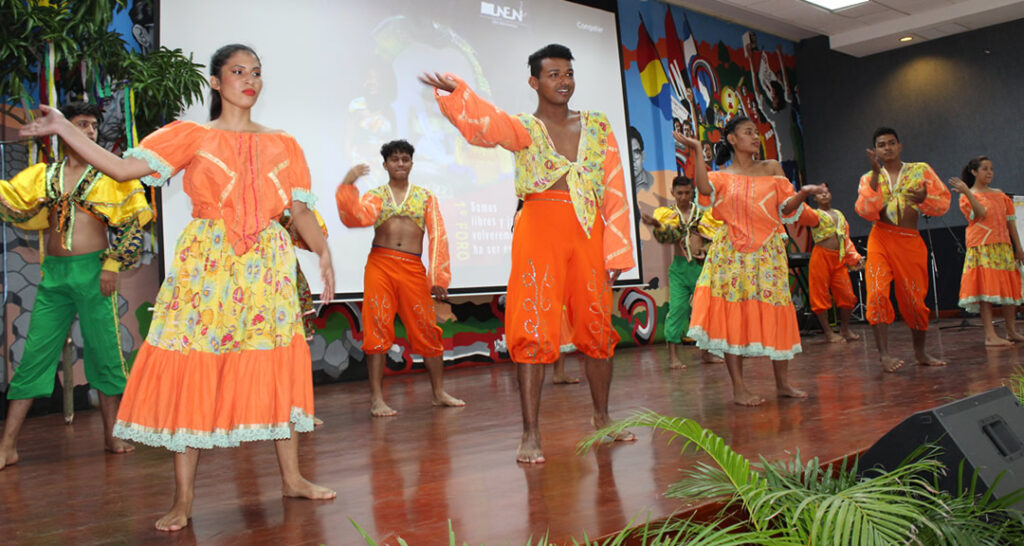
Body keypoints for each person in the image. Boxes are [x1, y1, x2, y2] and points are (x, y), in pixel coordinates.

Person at [19, 44, 337, 531]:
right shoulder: (192, 135)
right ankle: (183, 499)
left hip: (267, 269)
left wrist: (323, 253)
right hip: (207, 265)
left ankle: (292, 478)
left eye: (256, 72)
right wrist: (64, 129)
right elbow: (124, 169)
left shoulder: (285, 143)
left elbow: (298, 211)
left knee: (277, 361)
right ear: (214, 81)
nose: (249, 80)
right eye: (237, 71)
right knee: (192, 366)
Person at [419, 43, 635, 463]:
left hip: (588, 231)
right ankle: (531, 433)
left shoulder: (596, 125)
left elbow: (614, 189)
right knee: (532, 327)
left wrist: (617, 253)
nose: (564, 81)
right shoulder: (525, 128)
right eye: (553, 74)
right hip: (539, 229)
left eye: (568, 73)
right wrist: (459, 92)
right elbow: (488, 126)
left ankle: (603, 418)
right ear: (534, 81)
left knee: (597, 326)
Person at [0, 101, 151, 471]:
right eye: (80, 124)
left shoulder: (113, 176)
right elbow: (10, 195)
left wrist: (113, 264)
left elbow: (137, 220)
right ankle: (7, 445)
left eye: (93, 127)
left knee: (104, 354)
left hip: (94, 273)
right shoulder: (44, 175)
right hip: (54, 276)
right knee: (34, 355)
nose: (89, 132)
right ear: (61, 130)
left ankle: (112, 433)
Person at [680, 116, 824, 406]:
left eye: (756, 133)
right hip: (730, 256)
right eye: (748, 133)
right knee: (732, 318)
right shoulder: (721, 177)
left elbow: (786, 208)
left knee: (777, 311)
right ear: (732, 139)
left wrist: (803, 194)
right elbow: (704, 191)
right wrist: (696, 149)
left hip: (768, 254)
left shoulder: (771, 168)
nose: (755, 137)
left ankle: (783, 383)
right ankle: (739, 388)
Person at [335, 139, 465, 417]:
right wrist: (348, 184)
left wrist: (439, 277)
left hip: (412, 268)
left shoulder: (425, 197)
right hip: (380, 265)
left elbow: (438, 235)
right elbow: (354, 217)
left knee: (427, 329)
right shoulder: (376, 196)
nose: (400, 164)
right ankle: (376, 399)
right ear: (385, 165)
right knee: (377, 327)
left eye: (405, 159)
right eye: (394, 160)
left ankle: (438, 393)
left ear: (412, 163)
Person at [855, 127, 950, 371]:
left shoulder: (921, 170)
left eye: (891, 143)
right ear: (875, 150)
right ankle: (884, 356)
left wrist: (923, 199)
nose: (887, 148)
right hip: (881, 239)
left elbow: (942, 203)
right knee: (876, 294)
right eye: (881, 144)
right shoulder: (868, 177)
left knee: (915, 299)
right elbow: (865, 211)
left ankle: (920, 353)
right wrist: (876, 176)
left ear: (900, 146)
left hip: (909, 241)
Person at [641, 175, 721, 368]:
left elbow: (714, 238)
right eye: (680, 193)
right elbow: (670, 236)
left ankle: (707, 353)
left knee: (706, 311)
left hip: (701, 269)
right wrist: (657, 225)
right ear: (672, 193)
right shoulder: (668, 214)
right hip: (678, 268)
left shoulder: (702, 213)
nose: (684, 197)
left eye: (687, 193)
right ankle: (673, 358)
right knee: (677, 310)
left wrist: (706, 250)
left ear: (692, 192)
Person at [948, 156, 1024, 346]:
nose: (989, 172)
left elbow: (1011, 223)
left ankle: (1011, 331)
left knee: (1008, 290)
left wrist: (1018, 247)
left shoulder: (1000, 195)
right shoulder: (966, 196)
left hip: (1003, 246)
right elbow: (980, 213)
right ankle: (990, 336)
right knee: (985, 290)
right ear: (974, 172)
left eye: (991, 168)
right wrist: (967, 191)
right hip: (982, 247)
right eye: (984, 169)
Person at [807, 183, 863, 343]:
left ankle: (845, 329)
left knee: (847, 296)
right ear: (815, 198)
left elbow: (846, 238)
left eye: (826, 192)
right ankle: (829, 333)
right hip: (820, 257)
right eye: (820, 193)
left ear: (831, 195)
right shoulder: (814, 214)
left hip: (838, 258)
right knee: (820, 296)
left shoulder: (839, 214)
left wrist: (854, 257)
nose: (824, 195)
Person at [627, 126, 655, 192]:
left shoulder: (654, 181)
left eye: (636, 152)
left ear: (643, 156)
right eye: (628, 153)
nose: (633, 159)